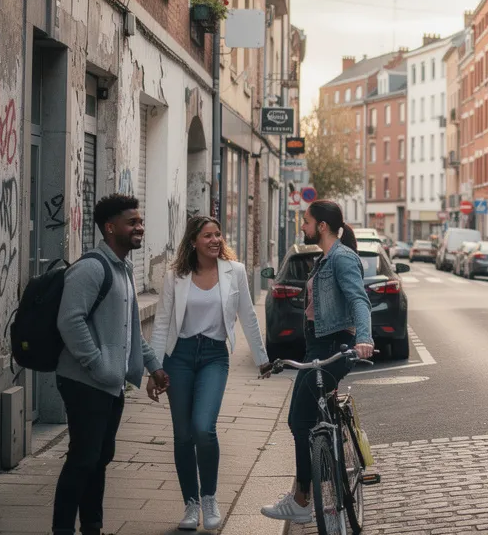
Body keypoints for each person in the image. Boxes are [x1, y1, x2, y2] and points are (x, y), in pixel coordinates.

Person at [148, 215, 272, 531]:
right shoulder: (176, 275)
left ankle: (209, 497)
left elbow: (247, 316)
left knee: (203, 428)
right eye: (208, 236)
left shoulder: (236, 272)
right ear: (193, 242)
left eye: (218, 234)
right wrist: (155, 367)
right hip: (179, 357)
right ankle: (190, 504)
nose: (216, 240)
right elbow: (161, 322)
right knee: (183, 434)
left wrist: (262, 358)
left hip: (214, 356)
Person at [53, 194, 167, 535]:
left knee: (99, 460)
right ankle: (61, 530)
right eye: (132, 222)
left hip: (110, 384)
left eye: (140, 221)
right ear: (110, 227)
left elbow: (129, 330)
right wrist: (100, 366)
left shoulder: (123, 270)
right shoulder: (91, 268)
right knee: (83, 459)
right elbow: (69, 322)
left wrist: (152, 365)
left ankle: (92, 527)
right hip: (86, 381)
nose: (140, 227)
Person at [262, 200, 376, 524]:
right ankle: (332, 456)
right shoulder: (325, 259)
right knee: (314, 418)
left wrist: (364, 339)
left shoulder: (342, 258)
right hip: (318, 345)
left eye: (306, 221)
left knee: (299, 420)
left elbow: (359, 299)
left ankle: (301, 500)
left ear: (322, 226)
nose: (303, 226)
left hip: (330, 347)